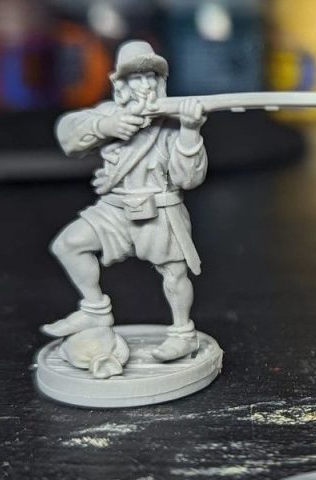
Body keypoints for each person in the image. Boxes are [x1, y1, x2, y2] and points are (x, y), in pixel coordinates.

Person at [42, 41, 207, 362]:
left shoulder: (171, 123)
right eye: (136, 77)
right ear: (122, 84)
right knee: (68, 245)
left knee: (174, 274)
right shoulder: (110, 113)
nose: (144, 85)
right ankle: (95, 311)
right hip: (115, 209)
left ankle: (183, 334)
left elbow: (188, 179)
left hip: (160, 210)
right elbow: (67, 135)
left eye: (150, 77)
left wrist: (190, 130)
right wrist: (104, 125)